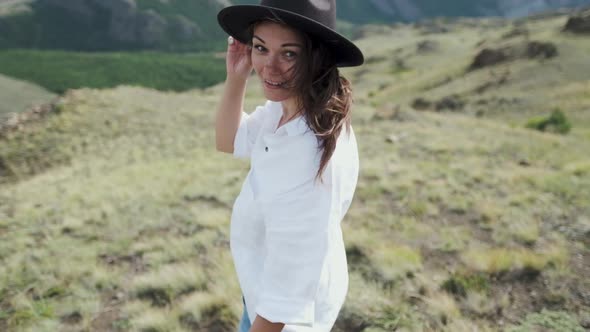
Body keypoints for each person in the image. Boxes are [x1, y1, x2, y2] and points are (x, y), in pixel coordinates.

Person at [215, 1, 364, 331]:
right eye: (261, 48)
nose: (270, 66)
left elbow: (287, 296)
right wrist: (236, 76)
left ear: (317, 57)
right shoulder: (289, 111)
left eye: (289, 53)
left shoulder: (310, 153)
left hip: (283, 319)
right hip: (261, 292)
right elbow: (229, 141)